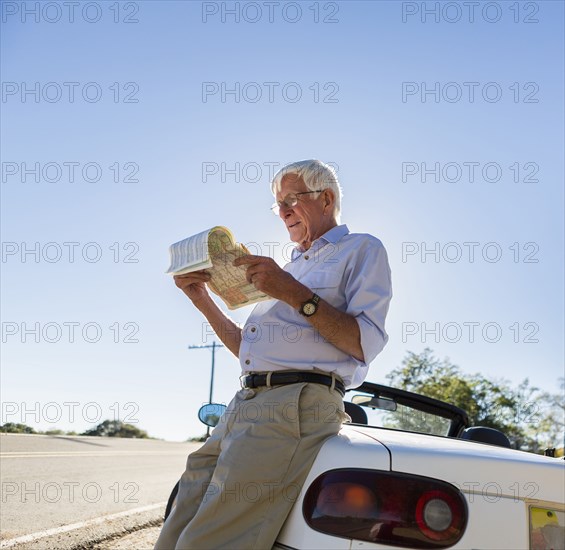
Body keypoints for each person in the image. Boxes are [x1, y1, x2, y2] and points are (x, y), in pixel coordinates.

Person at [154, 159, 392, 550]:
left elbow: (364, 343)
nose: (282, 212)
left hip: (293, 405)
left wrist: (290, 290)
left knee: (209, 540)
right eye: (277, 204)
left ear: (326, 199)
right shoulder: (294, 264)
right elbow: (249, 353)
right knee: (179, 523)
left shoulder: (361, 249)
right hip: (247, 401)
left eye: (291, 200)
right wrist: (201, 300)